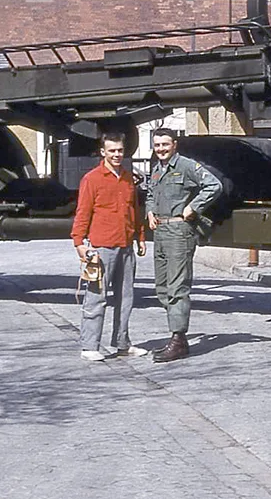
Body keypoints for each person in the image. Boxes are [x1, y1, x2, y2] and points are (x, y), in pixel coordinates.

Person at [145, 128, 221, 363]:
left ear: (174, 145)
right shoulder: (157, 169)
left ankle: (178, 339)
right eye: (157, 145)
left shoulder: (187, 166)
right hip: (160, 231)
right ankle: (177, 337)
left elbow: (214, 185)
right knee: (162, 287)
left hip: (179, 231)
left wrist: (194, 207)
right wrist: (149, 211)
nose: (161, 149)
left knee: (178, 287)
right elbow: (150, 192)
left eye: (165, 144)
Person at [71, 132, 147, 362]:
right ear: (103, 152)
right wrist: (79, 242)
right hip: (102, 247)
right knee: (96, 297)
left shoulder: (127, 179)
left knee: (126, 298)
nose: (116, 154)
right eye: (112, 150)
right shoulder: (91, 179)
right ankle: (89, 346)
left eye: (120, 150)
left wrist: (140, 237)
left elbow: (134, 211)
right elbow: (83, 212)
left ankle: (122, 343)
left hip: (126, 246)